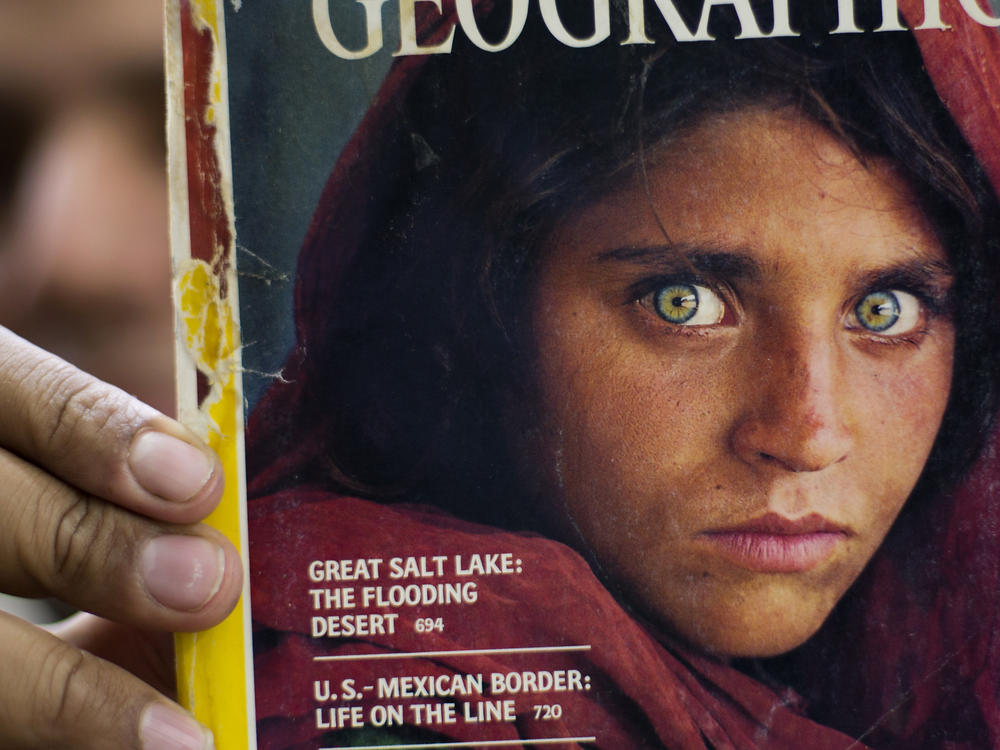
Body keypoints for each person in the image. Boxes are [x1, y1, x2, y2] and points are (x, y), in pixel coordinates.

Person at [244, 0, 1000, 748]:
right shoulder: (382, 702)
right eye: (684, 302)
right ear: (477, 313)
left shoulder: (927, 670)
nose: (807, 435)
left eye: (887, 311)